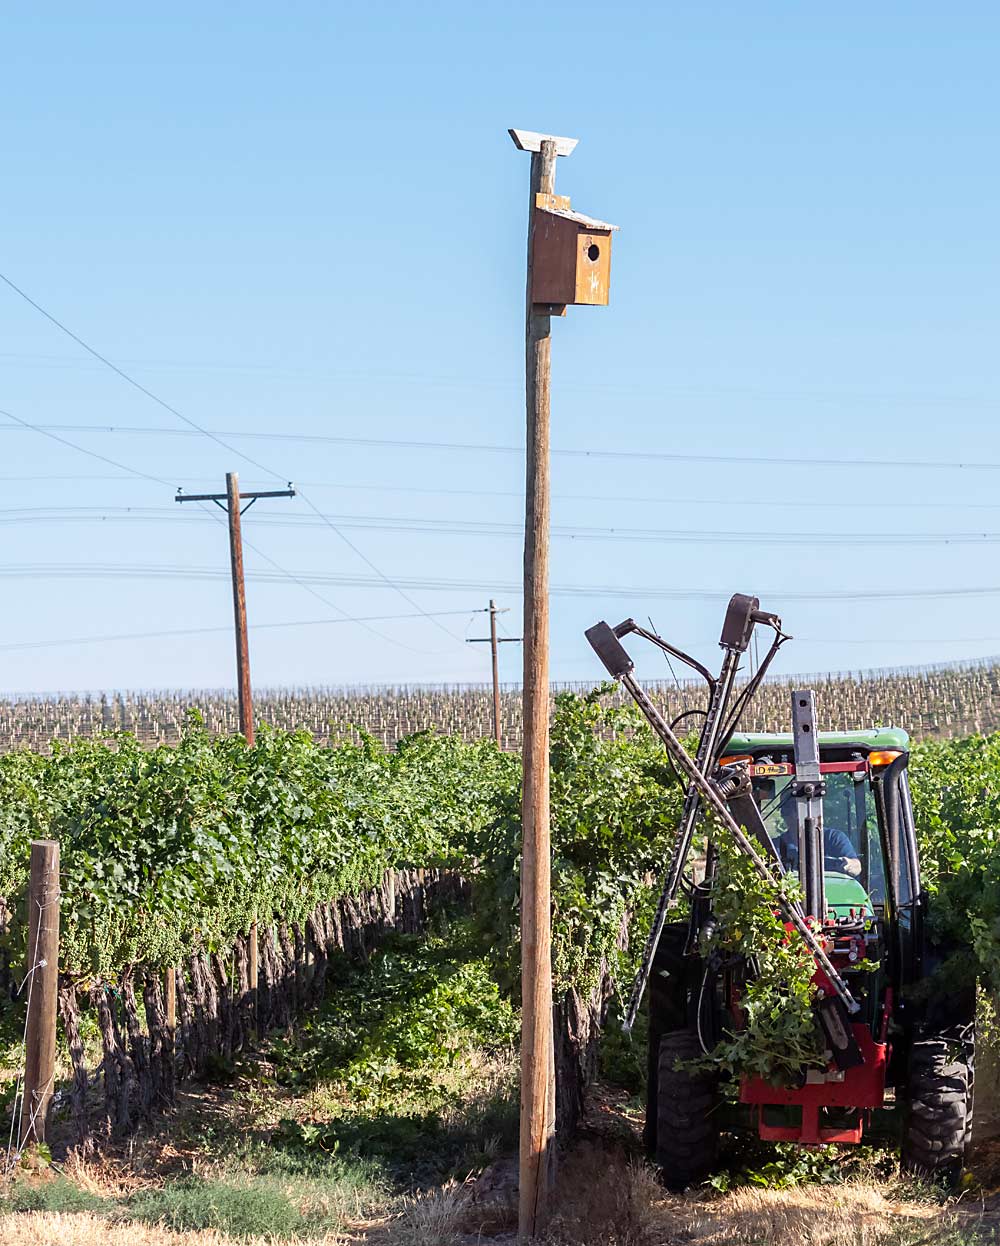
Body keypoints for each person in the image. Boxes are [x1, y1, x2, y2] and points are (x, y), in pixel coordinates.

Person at [775, 794, 862, 878]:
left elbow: (856, 866)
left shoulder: (834, 838)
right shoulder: (775, 847)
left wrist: (851, 865)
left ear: (809, 810)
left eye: (796, 808)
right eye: (787, 810)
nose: (793, 815)